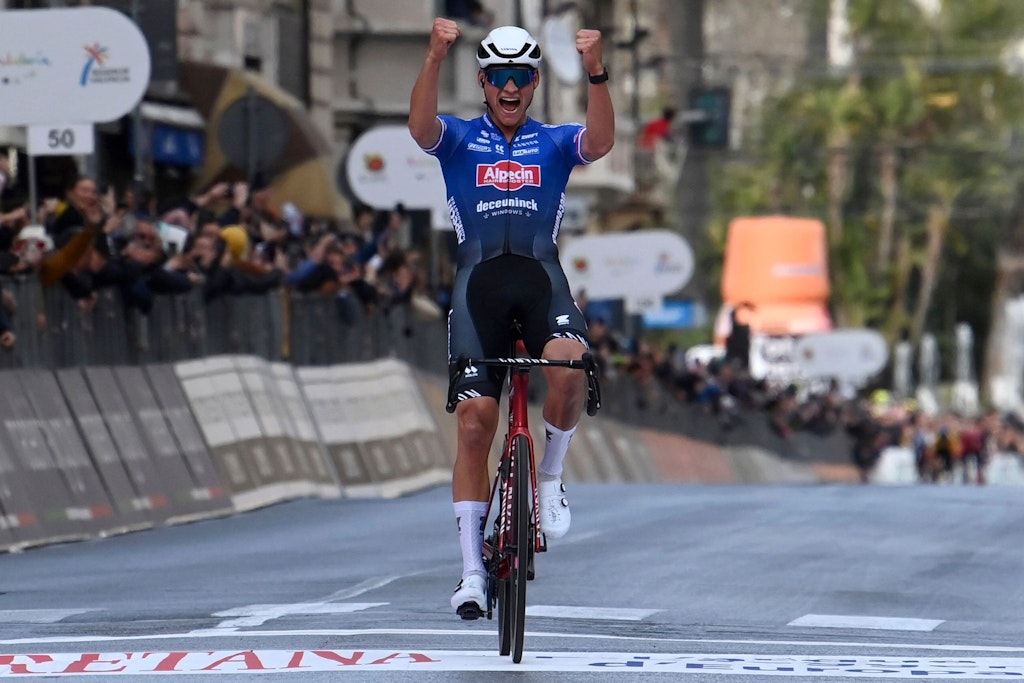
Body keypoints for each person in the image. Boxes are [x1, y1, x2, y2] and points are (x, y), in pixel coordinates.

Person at [408, 18, 614, 619]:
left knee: (572, 370)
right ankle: (472, 573)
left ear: (534, 83)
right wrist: (432, 55)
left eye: (520, 77)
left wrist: (597, 69)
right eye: (498, 76)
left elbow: (599, 143)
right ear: (482, 80)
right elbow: (420, 128)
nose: (509, 87)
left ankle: (549, 476)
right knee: (475, 424)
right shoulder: (460, 139)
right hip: (478, 289)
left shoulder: (551, 141)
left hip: (541, 280)